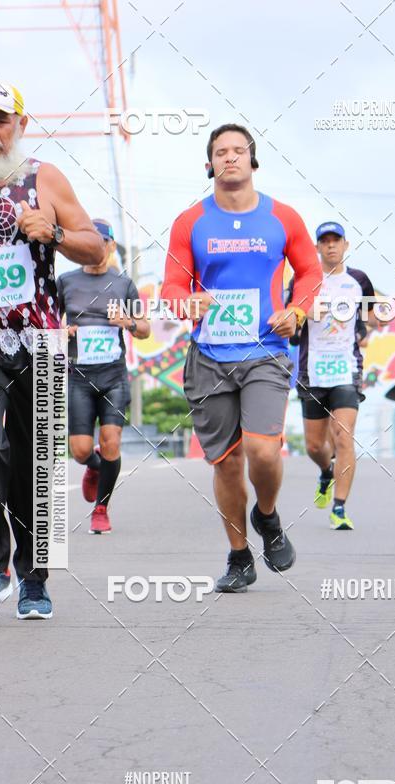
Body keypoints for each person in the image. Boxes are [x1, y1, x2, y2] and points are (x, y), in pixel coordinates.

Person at [0, 82, 105, 618]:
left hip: (40, 341)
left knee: (37, 464)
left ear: (20, 126)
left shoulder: (41, 178)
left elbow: (95, 243)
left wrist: (55, 234)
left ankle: (35, 580)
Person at [161, 123, 322, 592]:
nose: (230, 157)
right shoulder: (190, 221)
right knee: (228, 464)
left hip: (265, 350)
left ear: (253, 161)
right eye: (220, 152)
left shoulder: (283, 218)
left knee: (262, 450)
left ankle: (266, 517)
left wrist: (298, 309)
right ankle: (238, 556)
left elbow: (310, 269)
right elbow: (172, 283)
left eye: (239, 151)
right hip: (209, 354)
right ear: (209, 164)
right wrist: (182, 302)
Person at [57, 220, 149, 534]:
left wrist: (126, 322)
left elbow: (145, 327)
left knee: (111, 443)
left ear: (110, 247)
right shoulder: (66, 281)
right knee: (81, 450)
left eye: (103, 242)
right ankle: (94, 467)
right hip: (79, 377)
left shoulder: (123, 284)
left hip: (113, 376)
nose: (97, 248)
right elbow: (46, 321)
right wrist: (62, 332)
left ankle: (101, 509)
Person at [289, 222, 375, 530]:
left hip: (345, 368)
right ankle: (326, 472)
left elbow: (370, 317)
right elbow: (290, 323)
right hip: (311, 369)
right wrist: (302, 315)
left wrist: (376, 322)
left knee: (343, 436)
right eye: (324, 241)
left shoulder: (359, 280)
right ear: (316, 248)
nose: (330, 246)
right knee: (315, 445)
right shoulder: (303, 280)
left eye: (335, 240)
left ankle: (339, 509)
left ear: (346, 245)